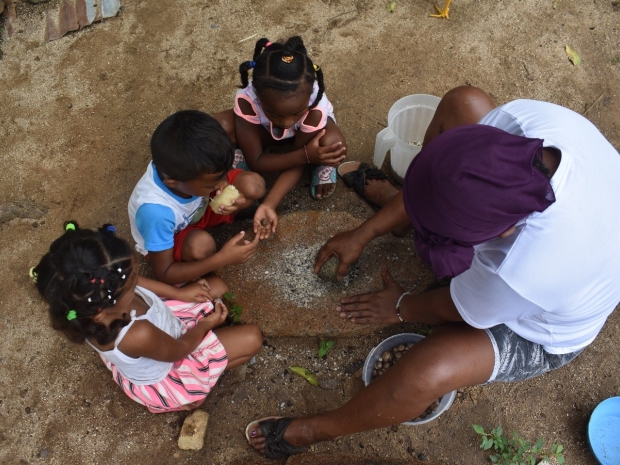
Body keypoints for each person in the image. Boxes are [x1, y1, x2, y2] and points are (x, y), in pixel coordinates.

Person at [245, 86, 620, 459]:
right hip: (548, 261)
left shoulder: (526, 264)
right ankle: (404, 212)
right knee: (464, 103)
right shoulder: (519, 124)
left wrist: (401, 306)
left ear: (499, 235)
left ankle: (311, 431)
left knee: (429, 373)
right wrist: (366, 231)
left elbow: (459, 310)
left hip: (540, 327)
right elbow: (455, 173)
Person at [30, 221, 263, 413]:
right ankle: (184, 396)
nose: (137, 279)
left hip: (163, 328)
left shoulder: (98, 295)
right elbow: (179, 350)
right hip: (172, 359)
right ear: (102, 309)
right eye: (131, 283)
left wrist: (179, 293)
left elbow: (136, 283)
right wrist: (206, 325)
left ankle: (200, 377)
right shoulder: (136, 333)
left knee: (218, 286)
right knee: (252, 339)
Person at [214, 36, 347, 240]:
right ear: (258, 95)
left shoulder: (314, 107)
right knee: (220, 126)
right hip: (266, 133)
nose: (286, 122)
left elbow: (298, 160)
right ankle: (249, 147)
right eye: (275, 113)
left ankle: (320, 162)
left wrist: (270, 203)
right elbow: (256, 162)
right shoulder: (248, 99)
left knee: (332, 143)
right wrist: (305, 155)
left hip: (305, 135)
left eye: (296, 112)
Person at [128, 110, 266, 285]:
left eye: (222, 175)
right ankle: (201, 265)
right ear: (173, 183)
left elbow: (218, 179)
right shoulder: (156, 213)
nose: (219, 185)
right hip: (175, 233)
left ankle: (230, 210)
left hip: (199, 206)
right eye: (211, 185)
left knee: (254, 186)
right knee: (202, 247)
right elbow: (164, 272)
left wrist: (222, 181)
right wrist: (222, 259)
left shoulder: (189, 169)